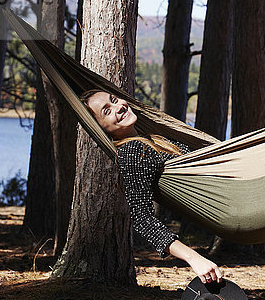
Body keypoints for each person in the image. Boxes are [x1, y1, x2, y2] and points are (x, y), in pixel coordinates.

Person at [80, 89, 223, 285]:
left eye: (114, 100)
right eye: (107, 111)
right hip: (229, 203)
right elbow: (141, 217)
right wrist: (194, 258)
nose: (118, 107)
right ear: (100, 129)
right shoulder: (132, 152)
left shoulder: (152, 139)